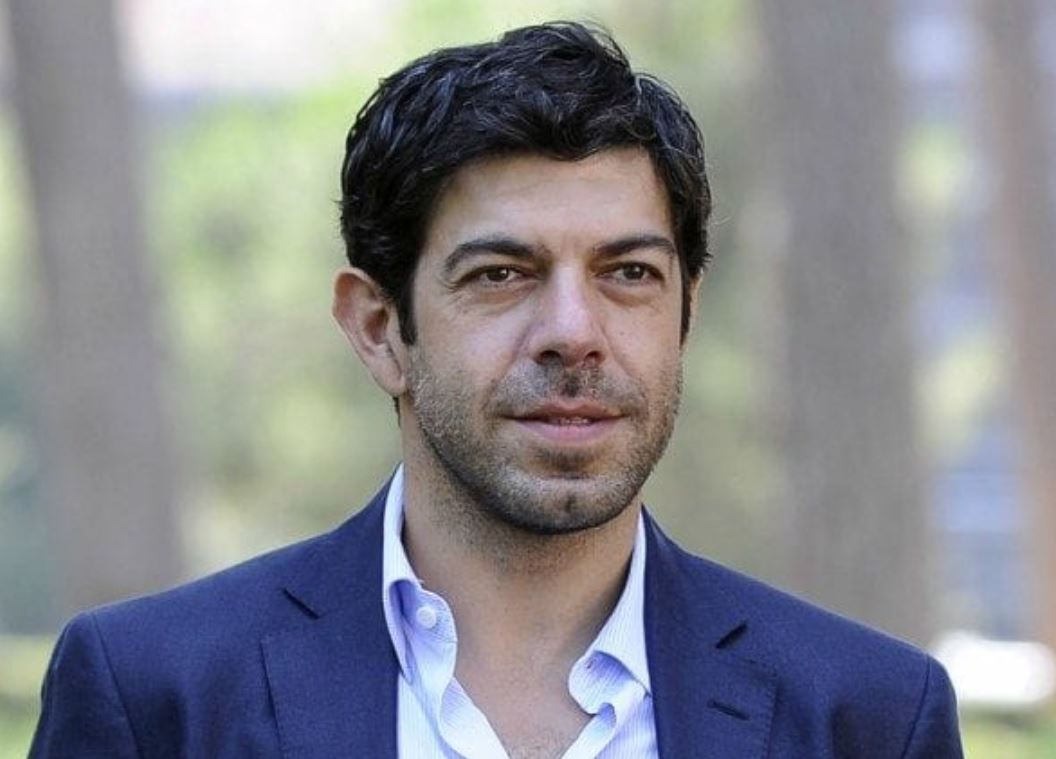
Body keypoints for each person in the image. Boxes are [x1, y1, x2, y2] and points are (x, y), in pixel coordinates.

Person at [31, 21, 963, 758]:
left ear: (686, 312)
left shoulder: (869, 718)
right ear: (378, 328)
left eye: (629, 273)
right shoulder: (154, 699)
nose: (573, 331)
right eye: (501, 274)